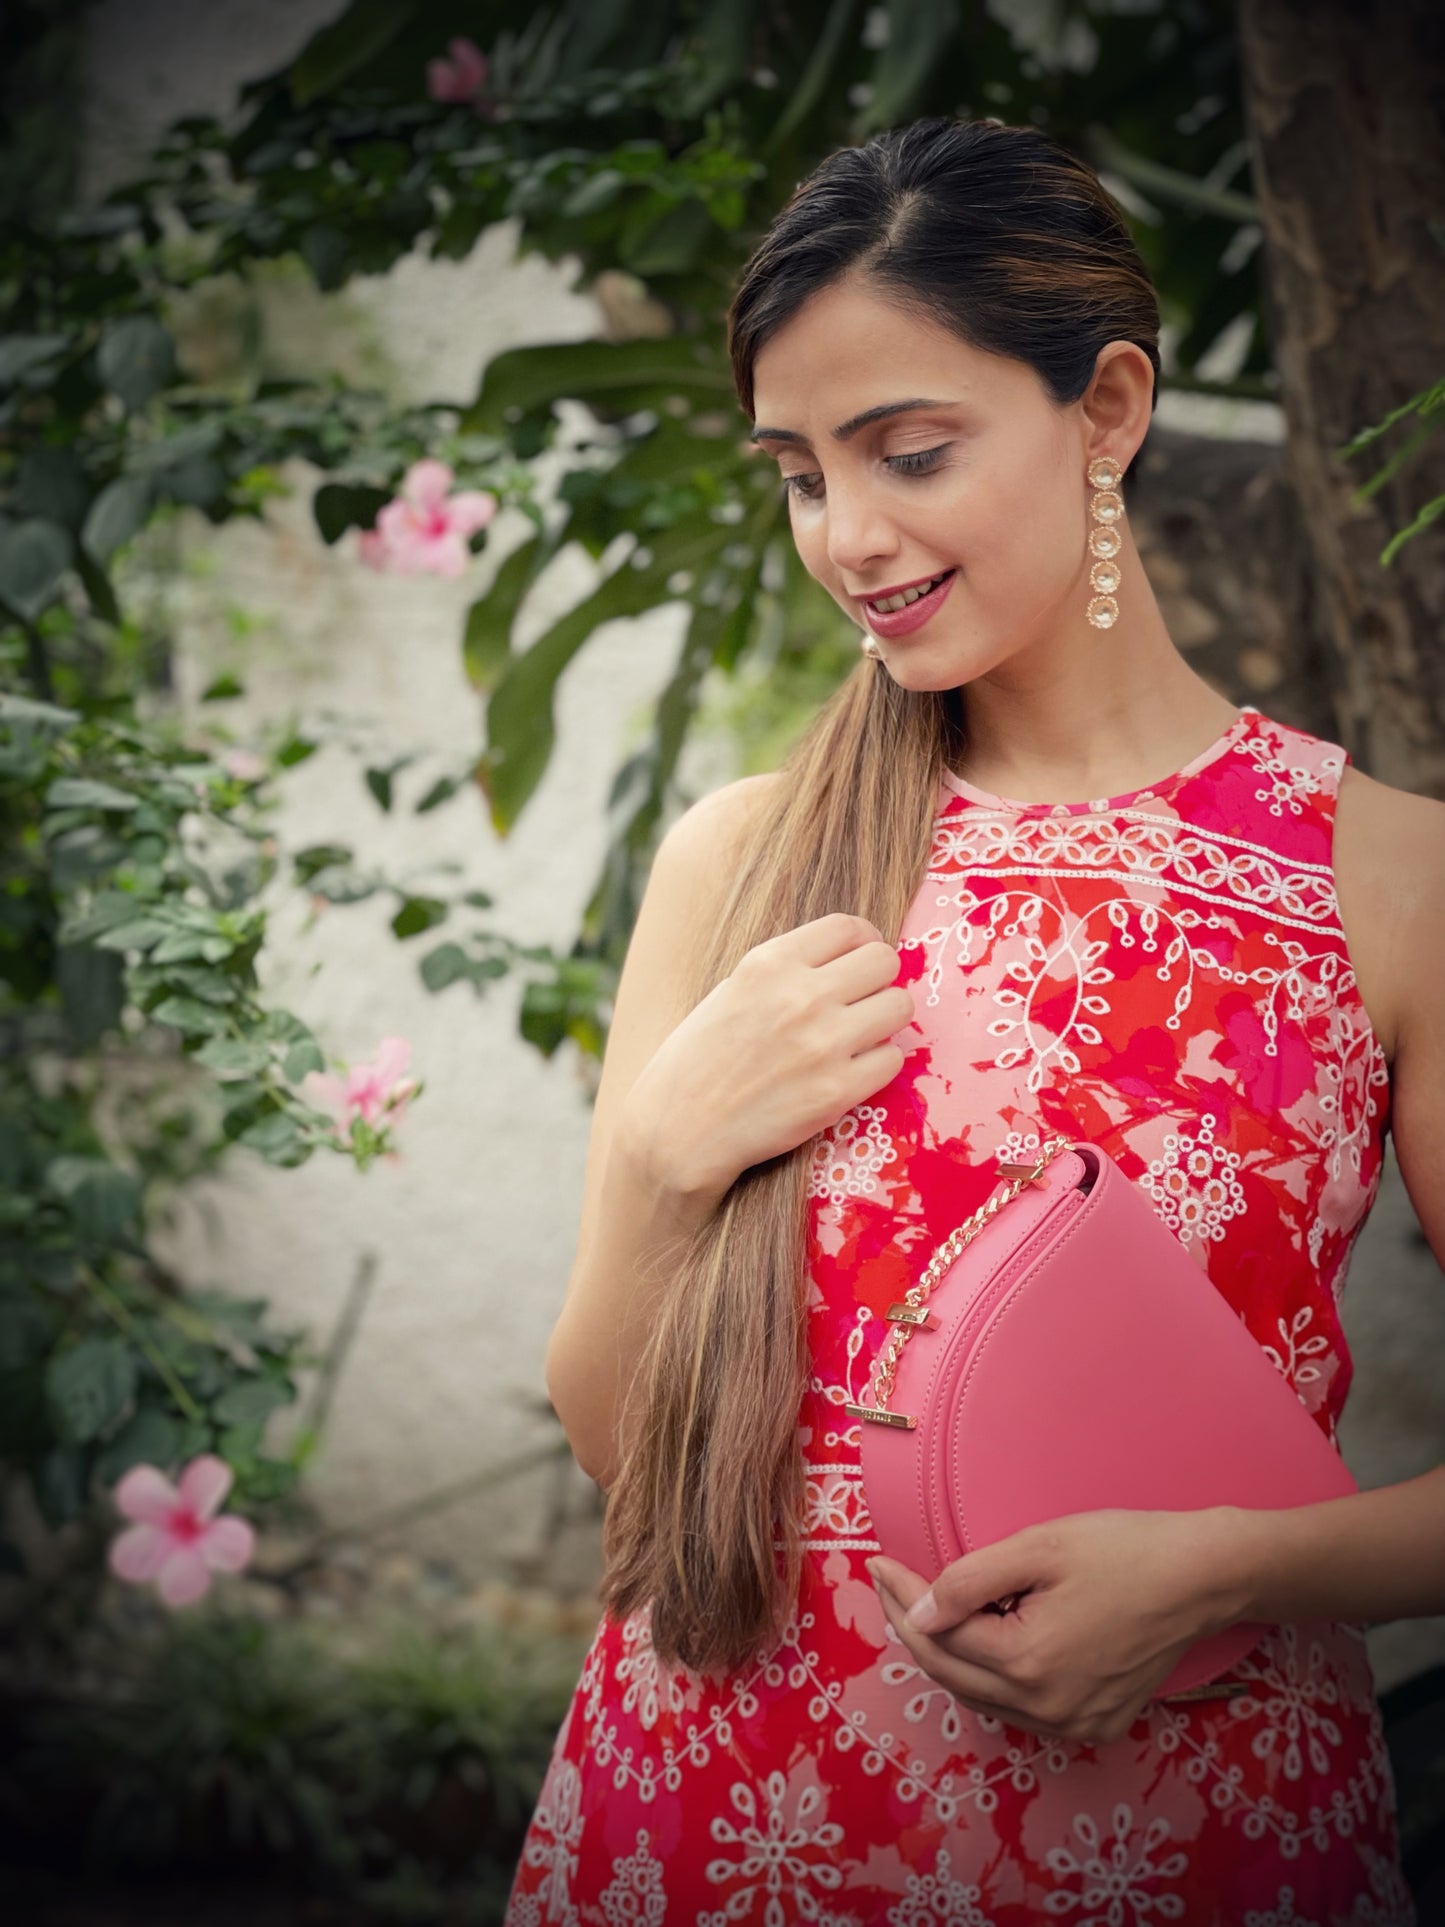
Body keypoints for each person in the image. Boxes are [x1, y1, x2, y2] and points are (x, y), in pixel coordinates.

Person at [506, 116, 1443, 1925]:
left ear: (1104, 410)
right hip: (721, 1807)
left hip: (1185, 1822)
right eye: (797, 475)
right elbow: (626, 1445)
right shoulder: (747, 860)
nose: (847, 537)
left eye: (909, 451)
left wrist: (1227, 1570)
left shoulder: (1377, 879)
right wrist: (651, 1161)